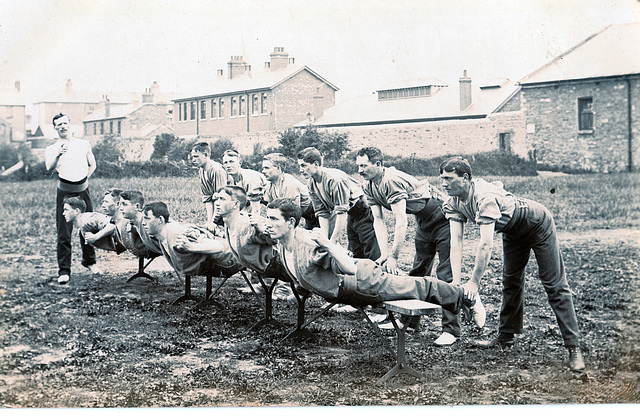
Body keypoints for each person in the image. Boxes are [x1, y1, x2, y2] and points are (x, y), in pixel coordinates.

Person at [439, 156, 585, 372]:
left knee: (554, 285)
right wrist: (457, 283)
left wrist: (473, 283)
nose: (443, 183)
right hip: (512, 230)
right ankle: (506, 336)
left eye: (449, 178)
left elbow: (486, 245)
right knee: (511, 281)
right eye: (441, 178)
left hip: (536, 223)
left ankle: (574, 348)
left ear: (466, 178)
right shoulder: (453, 202)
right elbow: (456, 243)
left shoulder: (484, 197)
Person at [263, 198, 485, 328]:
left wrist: (329, 244)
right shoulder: (283, 243)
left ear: (290, 222)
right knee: (412, 285)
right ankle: (459, 298)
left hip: (364, 280)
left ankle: (467, 297)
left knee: (418, 287)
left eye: (273, 219)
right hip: (351, 287)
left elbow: (349, 268)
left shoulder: (308, 243)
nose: (268, 224)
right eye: (267, 218)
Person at [356, 147, 465, 345]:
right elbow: (378, 220)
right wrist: (385, 253)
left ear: (378, 164)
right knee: (417, 272)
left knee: (446, 274)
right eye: (358, 166)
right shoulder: (368, 185)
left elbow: (400, 221)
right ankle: (409, 322)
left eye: (364, 165)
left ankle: (451, 330)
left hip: (443, 218)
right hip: (424, 222)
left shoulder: (390, 180)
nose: (360, 170)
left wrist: (395, 256)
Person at [297, 147, 380, 261]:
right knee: (355, 250)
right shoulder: (311, 183)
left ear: (316, 164)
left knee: (371, 249)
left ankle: (381, 274)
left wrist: (332, 243)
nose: (300, 170)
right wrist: (325, 240)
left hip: (362, 210)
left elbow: (341, 213)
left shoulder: (335, 180)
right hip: (351, 213)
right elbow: (322, 213)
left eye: (303, 165)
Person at [45, 113, 99, 284]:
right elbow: (49, 168)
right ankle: (64, 271)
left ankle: (90, 262)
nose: (62, 126)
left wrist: (85, 179)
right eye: (58, 124)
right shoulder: (52, 148)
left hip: (83, 191)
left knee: (88, 227)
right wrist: (59, 154)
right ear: (55, 128)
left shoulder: (83, 144)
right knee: (64, 232)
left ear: (70, 124)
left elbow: (93, 164)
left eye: (64, 123)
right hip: (65, 192)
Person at [141, 202, 236, 277]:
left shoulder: (179, 234)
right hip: (214, 262)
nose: (143, 223)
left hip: (229, 260)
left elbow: (219, 247)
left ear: (160, 220)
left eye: (147, 219)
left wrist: (191, 247)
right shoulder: (159, 235)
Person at [261, 153, 319, 230]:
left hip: (318, 215)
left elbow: (293, 214)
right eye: (263, 168)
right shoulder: (269, 186)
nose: (263, 171)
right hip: (307, 216)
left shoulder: (289, 184)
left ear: (278, 169)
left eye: (267, 168)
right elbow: (271, 209)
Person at [59, 197, 108, 277]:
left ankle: (90, 262)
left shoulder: (88, 220)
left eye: (66, 210)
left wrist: (95, 237)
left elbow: (113, 225)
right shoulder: (82, 224)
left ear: (77, 211)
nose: (63, 213)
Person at [190, 142, 227, 229]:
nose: (193, 160)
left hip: (229, 208)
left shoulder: (217, 170)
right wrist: (209, 221)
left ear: (206, 155)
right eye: (192, 157)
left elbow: (221, 198)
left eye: (196, 156)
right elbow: (207, 198)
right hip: (219, 210)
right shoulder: (201, 170)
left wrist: (214, 222)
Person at [117, 190, 162, 257]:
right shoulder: (136, 222)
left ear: (137, 207)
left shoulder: (148, 222)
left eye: (124, 204)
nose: (120, 208)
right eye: (120, 204)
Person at [221, 149, 267, 215]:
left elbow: (256, 210)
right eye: (225, 162)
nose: (228, 165)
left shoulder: (250, 178)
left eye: (231, 162)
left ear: (239, 163)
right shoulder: (231, 179)